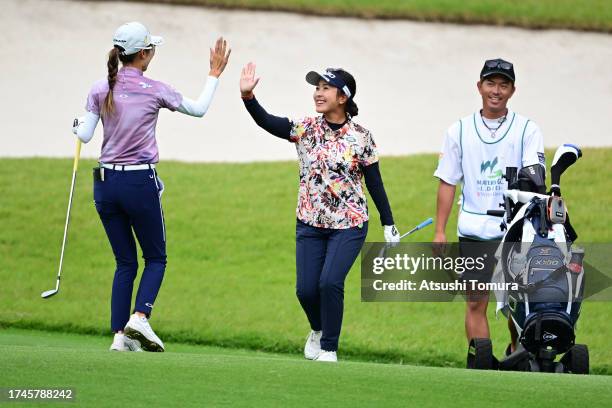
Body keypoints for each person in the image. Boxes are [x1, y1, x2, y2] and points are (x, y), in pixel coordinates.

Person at [72, 22, 230, 352]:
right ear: (144, 54)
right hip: (138, 182)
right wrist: (214, 73)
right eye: (151, 49)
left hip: (106, 184)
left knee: (125, 262)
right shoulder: (154, 88)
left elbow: (85, 135)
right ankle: (140, 317)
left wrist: (76, 123)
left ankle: (119, 337)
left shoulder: (100, 88)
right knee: (156, 258)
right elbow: (199, 110)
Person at [239, 63, 400, 362]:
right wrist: (249, 98)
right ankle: (317, 329)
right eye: (317, 87)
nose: (318, 93)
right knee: (306, 291)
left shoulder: (362, 137)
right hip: (310, 222)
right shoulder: (305, 128)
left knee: (330, 283)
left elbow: (374, 182)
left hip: (349, 223)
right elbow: (267, 122)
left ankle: (329, 347)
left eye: (326, 87)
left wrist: (388, 223)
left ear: (343, 97)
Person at [433, 58, 545, 362]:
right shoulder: (458, 130)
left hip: (516, 230)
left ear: (512, 90)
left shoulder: (526, 130)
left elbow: (536, 179)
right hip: (473, 229)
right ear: (479, 86)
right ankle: (482, 364)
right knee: (475, 301)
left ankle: (516, 354)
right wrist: (440, 230)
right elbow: (447, 181)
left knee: (518, 301)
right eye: (491, 83)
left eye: (503, 85)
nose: (496, 90)